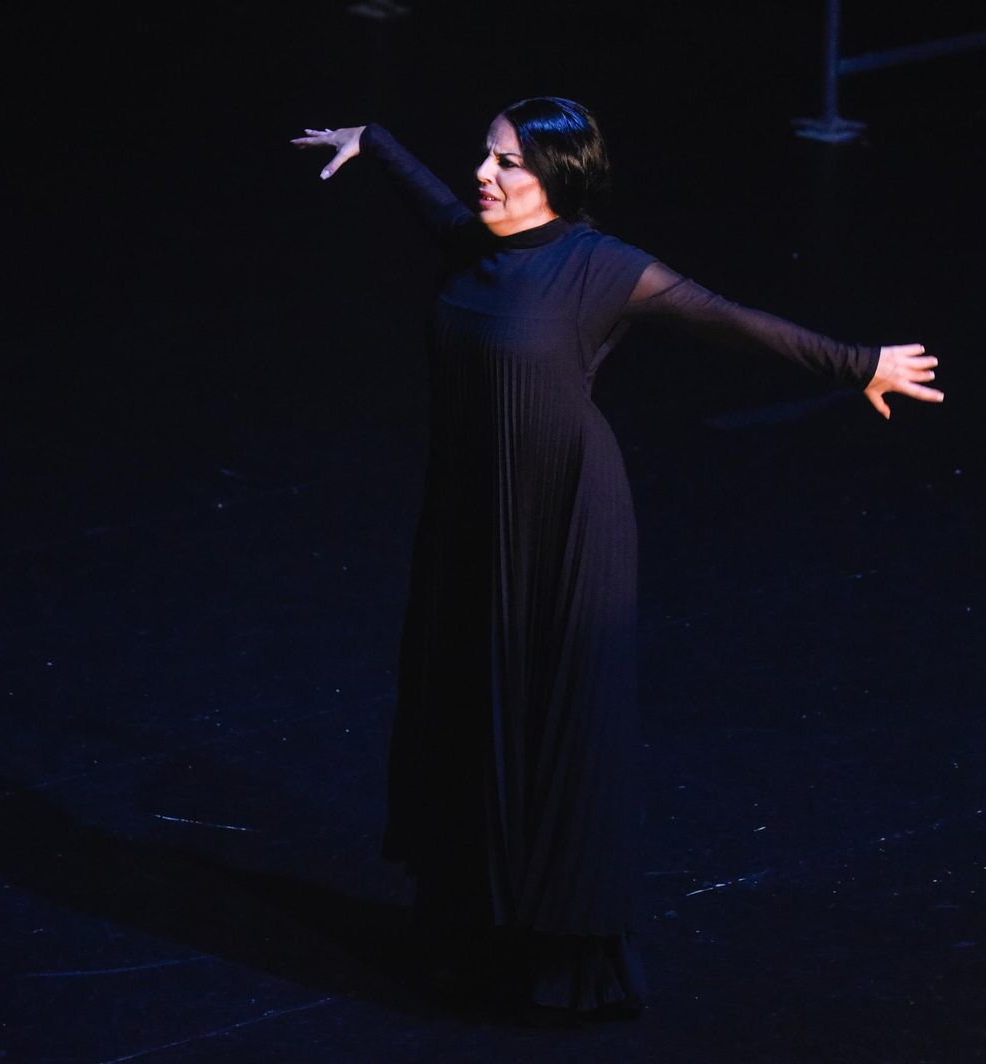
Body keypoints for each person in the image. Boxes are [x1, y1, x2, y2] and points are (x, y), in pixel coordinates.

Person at [290, 98, 942, 1025]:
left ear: (559, 178)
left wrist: (858, 363)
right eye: (487, 156)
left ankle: (563, 955)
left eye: (510, 164)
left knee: (552, 719)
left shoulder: (603, 269)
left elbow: (735, 322)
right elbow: (428, 198)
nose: (488, 174)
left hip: (563, 514)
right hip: (471, 517)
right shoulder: (467, 242)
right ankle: (472, 928)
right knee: (468, 709)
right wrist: (376, 142)